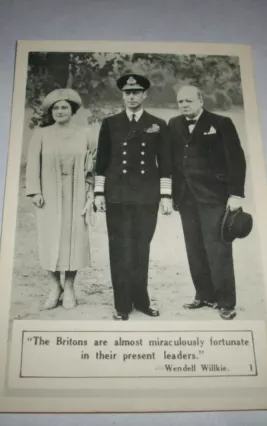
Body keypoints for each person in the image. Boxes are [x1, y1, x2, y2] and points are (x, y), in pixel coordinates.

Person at [93, 73, 173, 321]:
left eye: (136, 92)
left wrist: (166, 195)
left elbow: (166, 162)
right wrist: (98, 192)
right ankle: (122, 305)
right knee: (120, 250)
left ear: (144, 95)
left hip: (146, 197)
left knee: (141, 249)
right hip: (117, 196)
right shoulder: (110, 123)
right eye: (127, 93)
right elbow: (102, 161)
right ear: (122, 95)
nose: (131, 96)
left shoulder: (158, 123)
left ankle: (141, 300)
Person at [167, 85, 247, 320]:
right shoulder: (173, 124)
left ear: (201, 100)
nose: (184, 105)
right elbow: (171, 160)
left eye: (189, 101)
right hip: (185, 197)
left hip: (214, 197)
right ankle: (203, 295)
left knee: (218, 249)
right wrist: (170, 194)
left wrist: (235, 195)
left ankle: (226, 302)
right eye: (180, 101)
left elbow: (236, 160)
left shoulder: (221, 123)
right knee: (194, 248)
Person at [24, 88, 95, 310]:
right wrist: (35, 191)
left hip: (77, 194)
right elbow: (33, 164)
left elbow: (92, 166)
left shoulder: (85, 134)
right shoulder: (42, 134)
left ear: (72, 110)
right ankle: (55, 286)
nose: (60, 111)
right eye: (56, 108)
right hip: (49, 195)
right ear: (51, 111)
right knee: (50, 239)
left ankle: (70, 287)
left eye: (64, 107)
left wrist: (91, 193)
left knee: (74, 240)